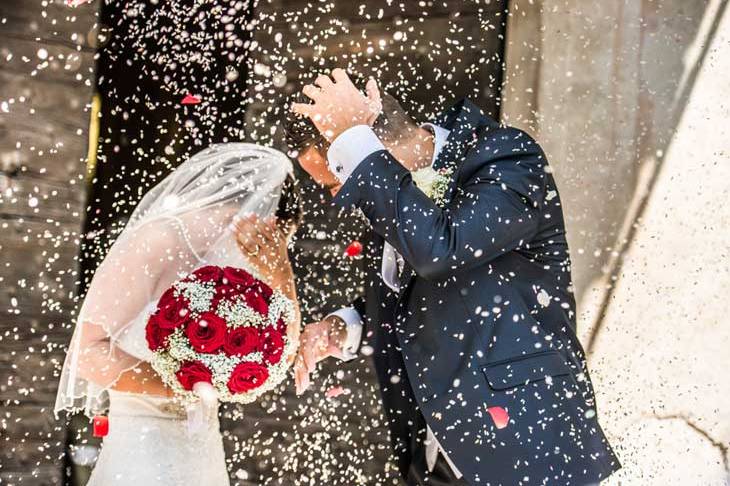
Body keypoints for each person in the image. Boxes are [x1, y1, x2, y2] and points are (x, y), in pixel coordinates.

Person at [285, 68, 621, 485]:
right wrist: (343, 328)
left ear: (372, 143)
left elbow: (442, 250)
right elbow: (420, 306)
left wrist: (354, 139)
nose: (340, 195)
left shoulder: (505, 156)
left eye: (337, 176)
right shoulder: (391, 198)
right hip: (435, 461)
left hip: (526, 450)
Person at [54, 143, 302, 486]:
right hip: (139, 450)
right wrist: (182, 386)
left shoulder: (253, 264)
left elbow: (282, 354)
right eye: (277, 239)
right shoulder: (155, 241)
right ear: (257, 215)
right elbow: (87, 352)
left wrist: (281, 276)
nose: (270, 252)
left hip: (204, 453)